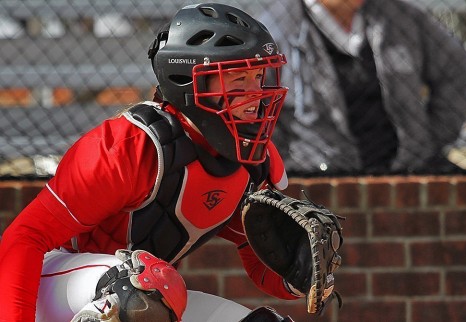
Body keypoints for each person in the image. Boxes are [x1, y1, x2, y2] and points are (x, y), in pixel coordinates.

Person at [0, 3, 301, 321]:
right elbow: (23, 239)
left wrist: (298, 272)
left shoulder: (252, 161)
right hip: (52, 287)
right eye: (239, 80)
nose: (256, 95)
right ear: (190, 81)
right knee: (142, 291)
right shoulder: (130, 147)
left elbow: (261, 265)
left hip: (149, 295)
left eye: (258, 77)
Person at [258, 0, 466, 175]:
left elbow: (459, 73)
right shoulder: (274, 30)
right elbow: (257, 106)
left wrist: (428, 140)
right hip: (318, 172)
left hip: (408, 166)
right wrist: (288, 161)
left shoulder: (400, 15)